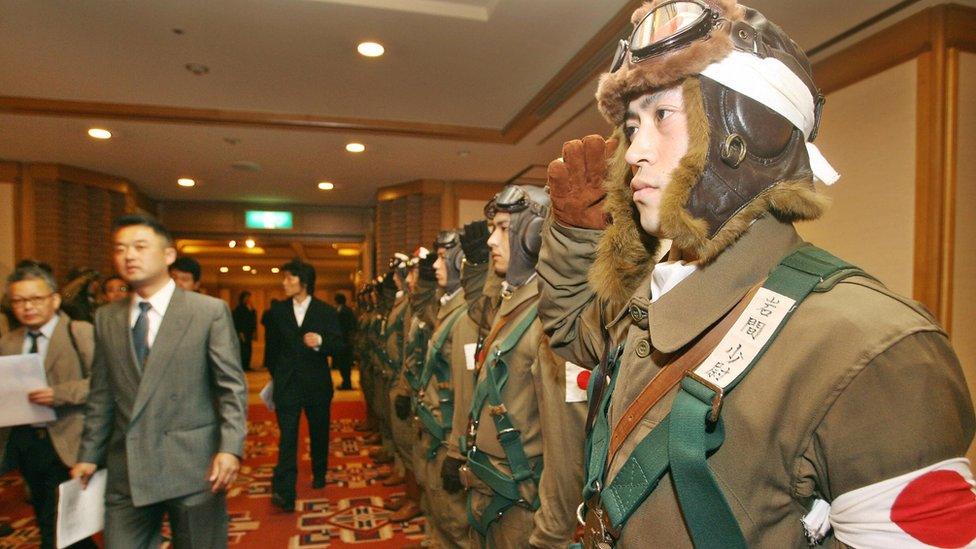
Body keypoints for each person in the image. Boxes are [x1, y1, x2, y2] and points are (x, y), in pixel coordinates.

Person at [538, 1, 976, 547]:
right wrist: (578, 236)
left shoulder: (871, 347)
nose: (636, 151)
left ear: (745, 132)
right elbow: (571, 332)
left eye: (664, 116)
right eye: (632, 125)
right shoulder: (661, 296)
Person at [71, 214, 247, 549]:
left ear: (168, 255)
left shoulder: (207, 311)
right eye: (120, 249)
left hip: (193, 463)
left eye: (140, 247)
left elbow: (230, 388)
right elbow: (102, 392)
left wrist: (229, 448)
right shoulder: (107, 317)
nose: (129, 256)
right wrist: (89, 453)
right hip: (128, 465)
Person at [460, 185, 566, 548]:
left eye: (504, 229)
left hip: (522, 506)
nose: (491, 240)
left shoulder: (552, 318)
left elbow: (566, 442)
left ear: (533, 236)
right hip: (491, 489)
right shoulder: (512, 304)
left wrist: (553, 531)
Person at [0, 264, 96, 549]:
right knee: (46, 517)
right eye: (19, 301)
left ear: (54, 299)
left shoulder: (79, 333)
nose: (27, 307)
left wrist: (59, 394)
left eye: (35, 299)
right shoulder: (9, 341)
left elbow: (103, 384)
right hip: (28, 441)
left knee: (71, 524)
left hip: (71, 440)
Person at [264, 258, 343, 511]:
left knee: (319, 430)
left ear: (304, 282)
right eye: (284, 277)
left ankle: (319, 473)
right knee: (287, 436)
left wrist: (320, 341)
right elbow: (271, 351)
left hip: (316, 383)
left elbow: (340, 345)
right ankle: (285, 489)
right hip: (287, 384)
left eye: (289, 278)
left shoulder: (325, 312)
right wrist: (276, 376)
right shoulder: (276, 312)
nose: (284, 282)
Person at [333, 292, 356, 390]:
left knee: (345, 365)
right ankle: (346, 382)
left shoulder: (343, 311)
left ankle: (347, 383)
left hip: (344, 341)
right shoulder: (346, 310)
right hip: (344, 341)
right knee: (344, 365)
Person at [232, 291, 257, 371]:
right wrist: (240, 332)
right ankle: (243, 366)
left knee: (248, 349)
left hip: (248, 332)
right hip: (242, 332)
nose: (249, 299)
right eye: (247, 297)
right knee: (243, 350)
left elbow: (252, 320)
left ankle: (247, 365)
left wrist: (253, 310)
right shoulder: (238, 309)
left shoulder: (248, 308)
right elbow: (237, 321)